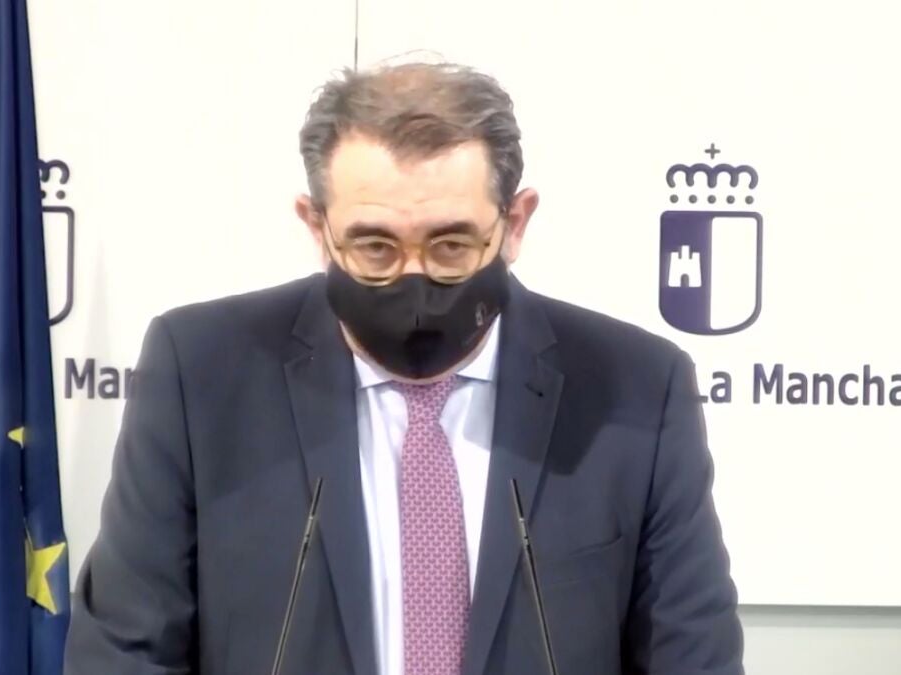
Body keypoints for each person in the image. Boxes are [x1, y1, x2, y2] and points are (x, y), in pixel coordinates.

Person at [65, 62, 744, 675]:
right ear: (316, 226)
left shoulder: (635, 391)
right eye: (375, 247)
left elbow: (694, 657)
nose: (413, 279)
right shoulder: (202, 374)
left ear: (514, 223)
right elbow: (124, 652)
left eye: (450, 245)